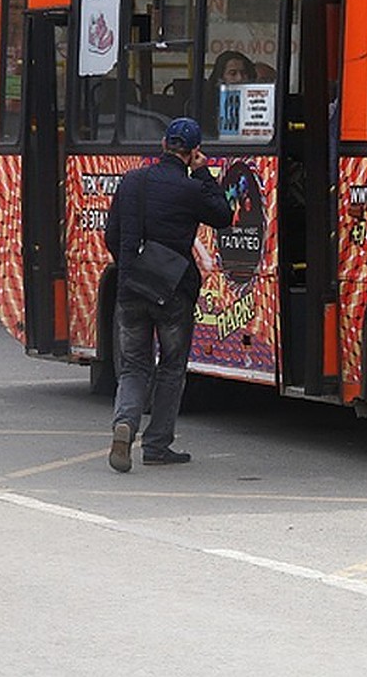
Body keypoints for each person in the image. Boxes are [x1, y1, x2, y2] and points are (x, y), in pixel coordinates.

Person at [105, 117, 232, 472]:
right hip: (173, 291)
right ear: (192, 152)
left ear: (162, 145)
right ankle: (158, 445)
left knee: (133, 366)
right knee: (171, 368)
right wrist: (204, 174)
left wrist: (131, 266)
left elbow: (111, 235)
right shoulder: (191, 189)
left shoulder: (131, 182)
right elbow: (223, 215)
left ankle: (124, 424)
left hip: (130, 288)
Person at [205, 51, 258, 136]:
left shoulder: (257, 101)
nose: (239, 78)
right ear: (220, 78)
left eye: (244, 73)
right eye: (233, 73)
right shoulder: (207, 104)